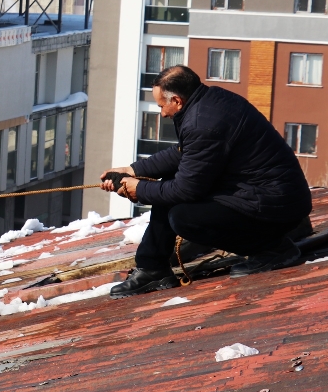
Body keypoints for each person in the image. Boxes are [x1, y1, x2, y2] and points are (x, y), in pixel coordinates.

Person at [102, 65, 312, 298]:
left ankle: (273, 249)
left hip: (276, 203)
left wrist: (139, 189)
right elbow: (184, 154)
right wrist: (131, 170)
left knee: (184, 218)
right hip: (261, 193)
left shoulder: (204, 123)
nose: (162, 113)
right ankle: (153, 268)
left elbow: (185, 190)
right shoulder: (208, 103)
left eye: (162, 105)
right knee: (170, 180)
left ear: (178, 101)